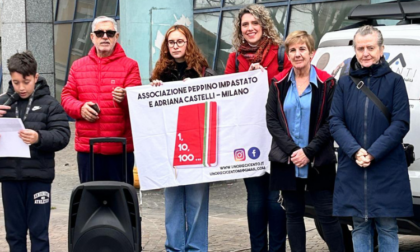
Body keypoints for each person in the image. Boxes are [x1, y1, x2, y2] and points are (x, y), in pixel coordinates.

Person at [329, 25, 413, 252]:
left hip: (386, 165)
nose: (365, 53)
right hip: (353, 164)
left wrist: (373, 152)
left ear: (381, 49)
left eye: (370, 47)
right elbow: (335, 121)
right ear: (354, 50)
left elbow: (400, 123)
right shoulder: (344, 84)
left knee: (387, 225)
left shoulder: (395, 81)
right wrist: (356, 150)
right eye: (360, 48)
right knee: (360, 225)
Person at [266, 30, 345, 252]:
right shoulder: (278, 83)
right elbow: (272, 120)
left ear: (312, 53)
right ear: (288, 55)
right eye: (293, 50)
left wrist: (308, 152)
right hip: (286, 160)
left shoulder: (327, 83)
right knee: (293, 215)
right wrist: (293, 151)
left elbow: (332, 121)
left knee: (328, 216)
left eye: (302, 49)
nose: (298, 54)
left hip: (319, 160)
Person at [224, 4, 291, 251]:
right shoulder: (235, 59)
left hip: (277, 138)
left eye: (254, 23)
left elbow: (291, 88)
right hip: (249, 139)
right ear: (239, 30)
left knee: (275, 198)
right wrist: (245, 81)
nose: (250, 28)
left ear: (264, 25)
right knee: (255, 199)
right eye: (245, 24)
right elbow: (227, 97)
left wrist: (264, 79)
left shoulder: (281, 53)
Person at [150, 24, 216, 252]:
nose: (175, 46)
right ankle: (174, 248)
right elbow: (151, 112)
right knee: (173, 202)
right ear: (166, 47)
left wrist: (201, 87)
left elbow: (217, 101)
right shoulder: (159, 74)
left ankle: (197, 249)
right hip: (170, 148)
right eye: (171, 42)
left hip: (197, 145)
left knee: (197, 202)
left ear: (188, 43)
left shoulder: (204, 72)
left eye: (180, 41)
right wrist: (154, 90)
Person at [0, 51, 70, 252]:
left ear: (36, 77)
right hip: (9, 178)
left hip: (39, 177)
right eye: (16, 82)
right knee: (14, 234)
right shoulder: (3, 103)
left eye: (26, 81)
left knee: (39, 234)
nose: (21, 87)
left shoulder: (50, 104)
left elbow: (62, 135)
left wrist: (39, 137)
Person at [61, 16, 141, 184]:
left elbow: (138, 105)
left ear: (116, 37)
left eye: (110, 33)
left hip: (119, 150)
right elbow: (66, 97)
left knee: (121, 204)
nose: (105, 37)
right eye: (100, 33)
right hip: (88, 150)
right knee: (90, 202)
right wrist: (80, 108)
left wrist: (125, 98)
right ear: (92, 37)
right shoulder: (78, 66)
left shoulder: (130, 65)